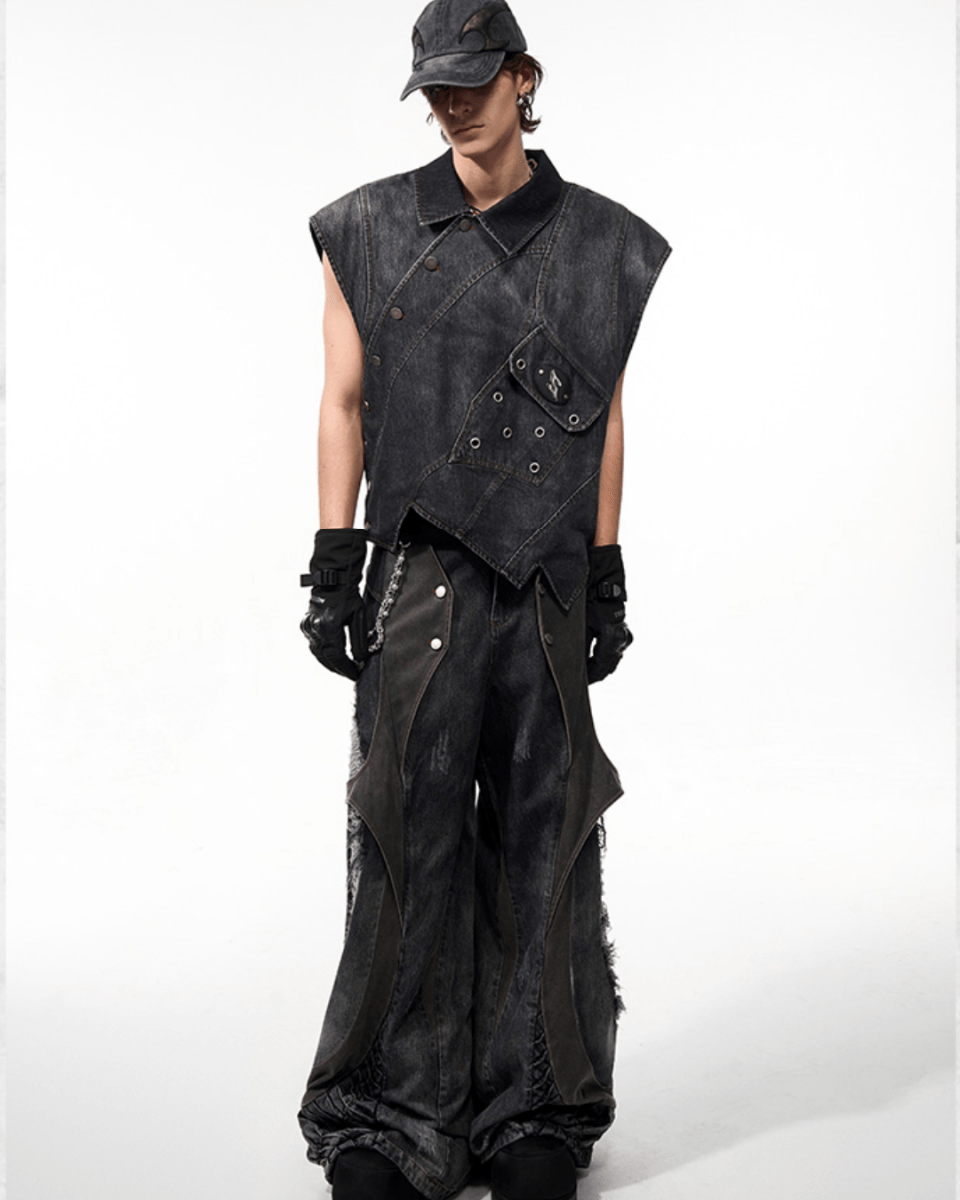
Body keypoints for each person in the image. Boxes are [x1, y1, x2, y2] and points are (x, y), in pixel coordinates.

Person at [296, 2, 671, 1197]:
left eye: (473, 80)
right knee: (404, 830)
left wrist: (604, 564)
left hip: (544, 576)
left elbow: (604, 415)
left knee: (545, 833)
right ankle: (387, 1115)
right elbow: (341, 397)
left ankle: (535, 1110)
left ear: (523, 78)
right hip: (415, 573)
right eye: (437, 88)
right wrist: (335, 555)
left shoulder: (604, 243)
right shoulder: (365, 227)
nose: (455, 104)